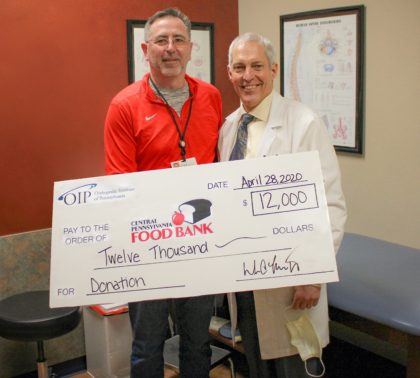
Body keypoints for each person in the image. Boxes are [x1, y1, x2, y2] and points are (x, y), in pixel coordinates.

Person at [218, 32, 347, 378]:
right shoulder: (229, 128)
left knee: (295, 364)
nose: (249, 76)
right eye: (240, 67)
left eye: (257, 66)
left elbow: (330, 205)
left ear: (273, 70)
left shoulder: (303, 123)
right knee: (257, 364)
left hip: (293, 283)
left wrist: (313, 275)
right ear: (229, 73)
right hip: (246, 278)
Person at [104, 8, 222, 378]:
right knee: (147, 346)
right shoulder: (124, 105)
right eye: (161, 41)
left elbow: (218, 168)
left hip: (200, 239)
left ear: (190, 48)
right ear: (145, 49)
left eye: (178, 40)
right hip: (149, 245)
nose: (170, 48)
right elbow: (119, 182)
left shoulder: (212, 97)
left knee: (197, 342)